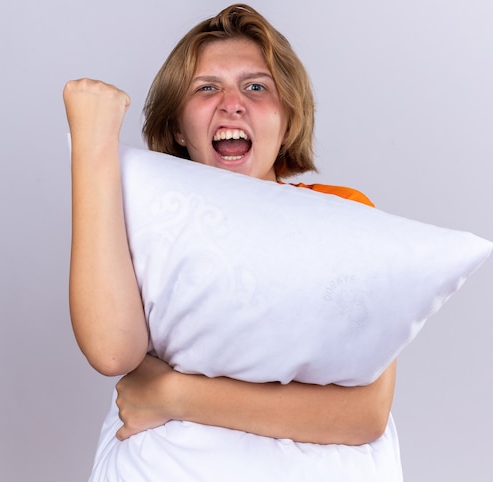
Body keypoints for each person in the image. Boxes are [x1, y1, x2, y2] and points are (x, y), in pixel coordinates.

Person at [64, 3, 399, 479]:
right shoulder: (140, 221)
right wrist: (92, 144)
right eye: (206, 88)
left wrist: (171, 395)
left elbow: (364, 415)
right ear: (178, 126)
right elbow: (113, 351)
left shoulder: (343, 213)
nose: (232, 102)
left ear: (287, 120)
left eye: (256, 86)